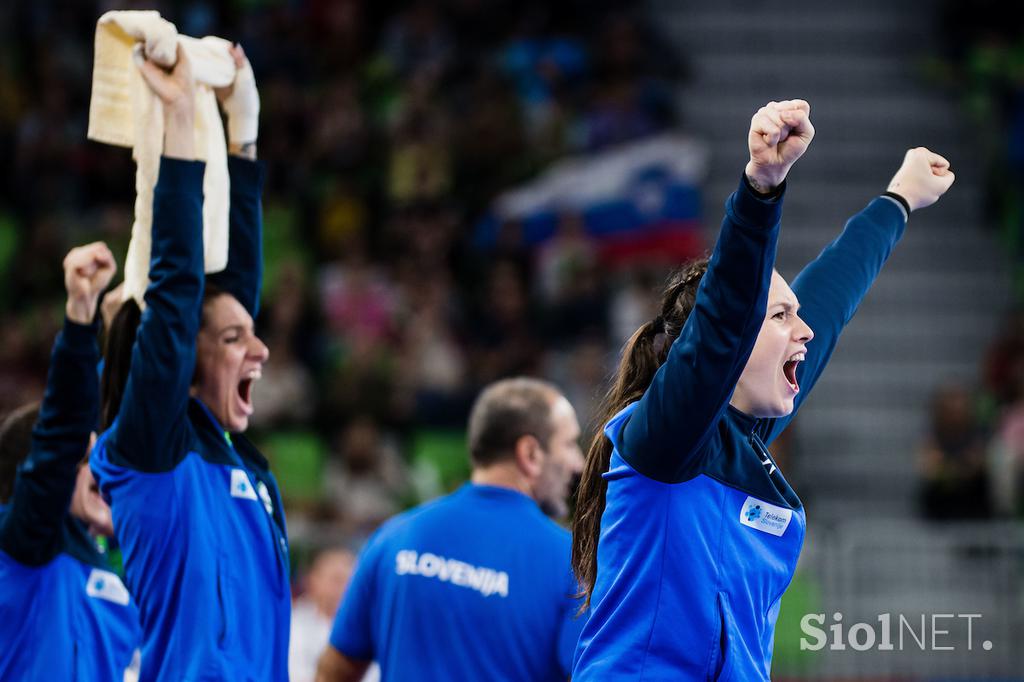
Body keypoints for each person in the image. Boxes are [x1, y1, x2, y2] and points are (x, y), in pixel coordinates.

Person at [571, 98, 955, 680]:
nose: (802, 330)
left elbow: (828, 305)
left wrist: (897, 199)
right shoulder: (666, 440)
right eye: (778, 316)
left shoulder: (741, 441)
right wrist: (761, 187)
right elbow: (726, 317)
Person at [89, 45, 290, 679]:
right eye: (235, 341)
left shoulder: (241, 467)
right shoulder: (150, 456)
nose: (259, 350)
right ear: (177, 357)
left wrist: (245, 135)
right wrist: (178, 122)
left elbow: (226, 298)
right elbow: (180, 295)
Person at [316, 377, 586, 682]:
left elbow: (334, 671)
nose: (578, 462)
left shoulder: (393, 537)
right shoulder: (568, 561)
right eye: (569, 443)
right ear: (530, 453)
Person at [0, 242, 141, 678]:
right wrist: (82, 319)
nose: (99, 466)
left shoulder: (103, 563)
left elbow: (109, 424)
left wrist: (119, 338)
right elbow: (64, 431)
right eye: (84, 460)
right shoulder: (25, 550)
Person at [290, 548, 358, 682]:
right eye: (337, 579)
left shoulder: (366, 628)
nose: (345, 587)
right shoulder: (293, 623)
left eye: (351, 581)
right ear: (313, 580)